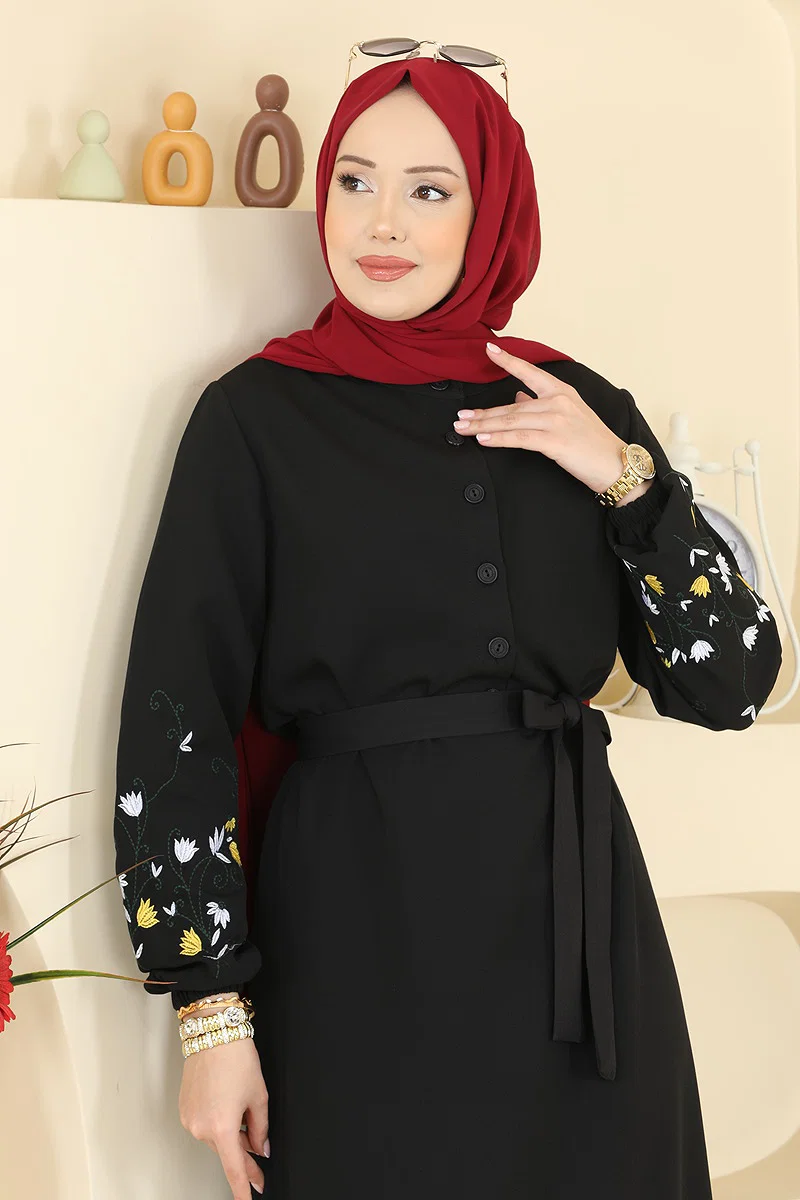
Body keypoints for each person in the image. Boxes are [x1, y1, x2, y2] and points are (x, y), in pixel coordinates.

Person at [113, 51, 782, 1200]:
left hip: (579, 941)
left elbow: (730, 686)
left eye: (428, 190)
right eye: (355, 182)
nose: (380, 223)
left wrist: (626, 482)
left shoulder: (574, 407)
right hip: (359, 932)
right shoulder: (256, 418)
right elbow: (178, 716)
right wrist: (207, 1012)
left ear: (491, 212)